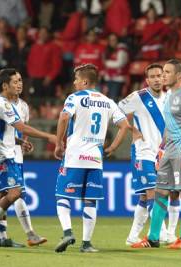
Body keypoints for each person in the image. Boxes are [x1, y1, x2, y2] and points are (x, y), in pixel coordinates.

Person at [53, 64, 130, 253]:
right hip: (96, 158)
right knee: (90, 200)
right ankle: (86, 244)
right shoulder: (108, 101)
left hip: (75, 156)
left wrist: (58, 143)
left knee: (62, 195)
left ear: (85, 81)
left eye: (77, 79)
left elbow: (64, 118)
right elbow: (125, 125)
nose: (74, 83)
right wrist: (111, 147)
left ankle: (68, 232)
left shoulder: (75, 98)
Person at [131, 59, 181, 249]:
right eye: (163, 72)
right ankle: (153, 237)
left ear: (178, 74)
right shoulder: (168, 96)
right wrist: (161, 148)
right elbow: (168, 126)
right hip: (168, 151)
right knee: (160, 192)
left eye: (167, 72)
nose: (163, 75)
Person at [0, 68, 57, 246]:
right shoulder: (2, 104)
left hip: (11, 152)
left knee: (9, 193)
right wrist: (48, 136)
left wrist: (20, 142)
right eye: (15, 81)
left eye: (20, 80)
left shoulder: (20, 105)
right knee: (14, 193)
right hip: (0, 154)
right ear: (5, 86)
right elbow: (20, 128)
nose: (20, 84)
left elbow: (10, 132)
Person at [118, 63, 179, 245]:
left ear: (164, 77)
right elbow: (116, 112)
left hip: (162, 154)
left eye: (159, 75)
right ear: (147, 80)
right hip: (143, 152)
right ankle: (161, 233)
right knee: (154, 193)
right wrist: (131, 129)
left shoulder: (170, 98)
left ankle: (132, 237)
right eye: (152, 76)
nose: (156, 79)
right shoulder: (138, 97)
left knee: (144, 197)